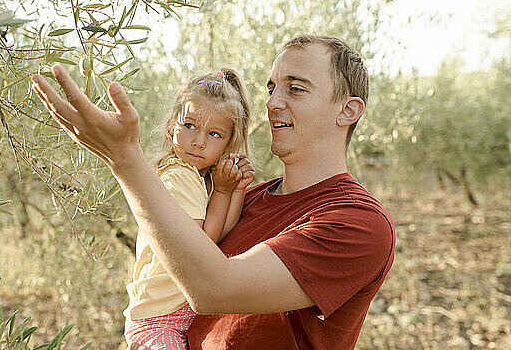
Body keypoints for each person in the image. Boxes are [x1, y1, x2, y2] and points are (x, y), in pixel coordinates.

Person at [32, 34, 396, 350]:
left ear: (347, 110)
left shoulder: (358, 223)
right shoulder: (244, 196)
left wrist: (125, 160)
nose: (271, 104)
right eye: (272, 88)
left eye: (295, 89)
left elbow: (212, 288)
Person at [122, 68, 254, 349]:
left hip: (172, 316)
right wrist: (222, 191)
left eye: (214, 134)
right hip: (158, 319)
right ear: (173, 125)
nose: (199, 141)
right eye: (190, 126)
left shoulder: (194, 176)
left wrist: (236, 189)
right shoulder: (180, 177)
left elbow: (225, 230)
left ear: (229, 143)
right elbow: (202, 247)